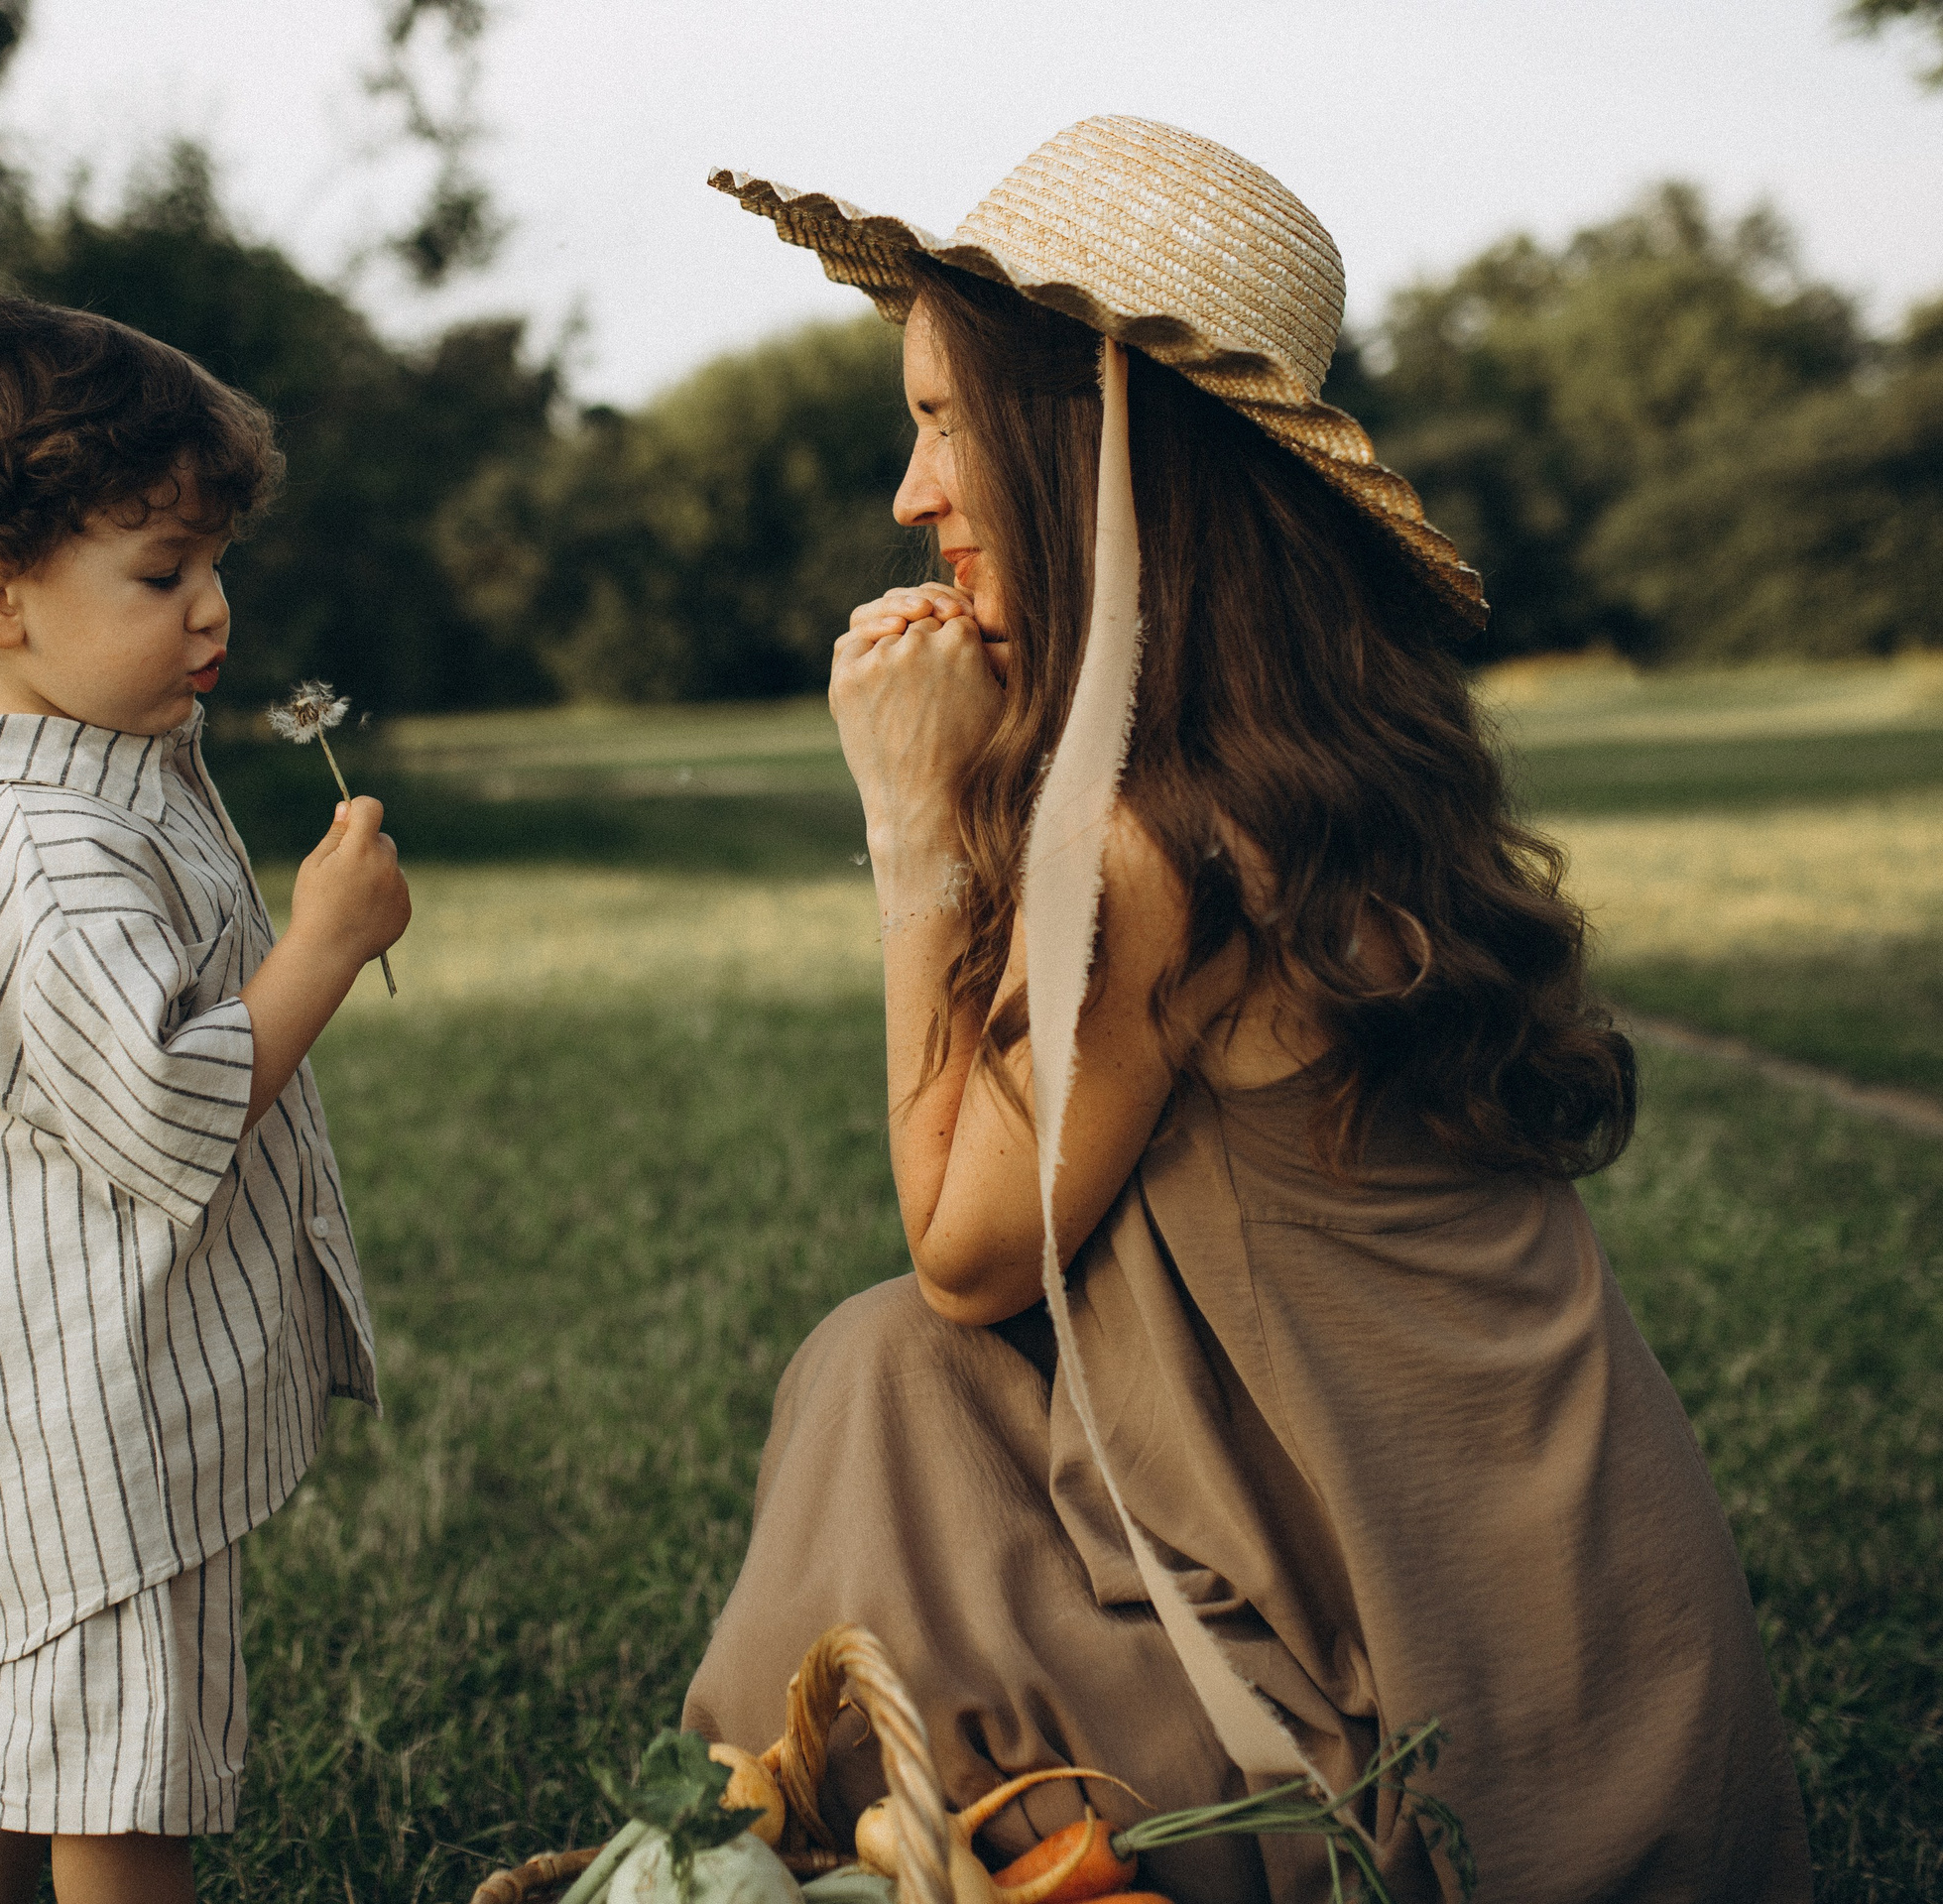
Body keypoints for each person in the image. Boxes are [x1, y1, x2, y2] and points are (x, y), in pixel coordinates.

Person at [682, 119, 1808, 1903]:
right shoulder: (1306, 767)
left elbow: (969, 1245)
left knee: (899, 1361)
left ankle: (802, 1844)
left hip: (1444, 1769)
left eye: (946, 421)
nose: (912, 492)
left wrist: (911, 837)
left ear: (1093, 449)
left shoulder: (1147, 852)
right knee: (886, 1381)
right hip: (1600, 1695)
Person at [0, 294, 410, 1904]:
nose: (215, 612)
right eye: (163, 575)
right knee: (124, 1776)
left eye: (216, 565)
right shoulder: (41, 856)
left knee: (27, 1719)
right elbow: (168, 1104)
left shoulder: (99, 780)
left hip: (61, 1390)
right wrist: (328, 947)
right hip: (96, 1413)